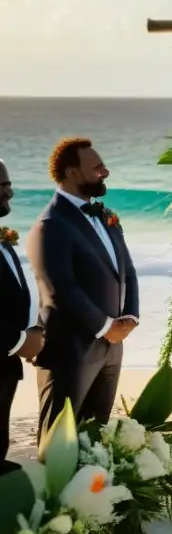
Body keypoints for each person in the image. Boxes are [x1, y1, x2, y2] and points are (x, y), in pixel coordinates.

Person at [26, 138, 140, 438]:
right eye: (97, 167)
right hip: (69, 351)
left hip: (111, 347)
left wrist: (130, 317)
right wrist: (105, 326)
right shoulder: (49, 225)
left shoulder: (106, 216)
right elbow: (60, 289)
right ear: (73, 173)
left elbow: (127, 270)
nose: (105, 172)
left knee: (95, 439)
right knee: (58, 441)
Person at [0, 159, 44, 474]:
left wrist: (32, 333)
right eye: (2, 185)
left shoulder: (4, 243)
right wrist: (19, 342)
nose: (10, 192)